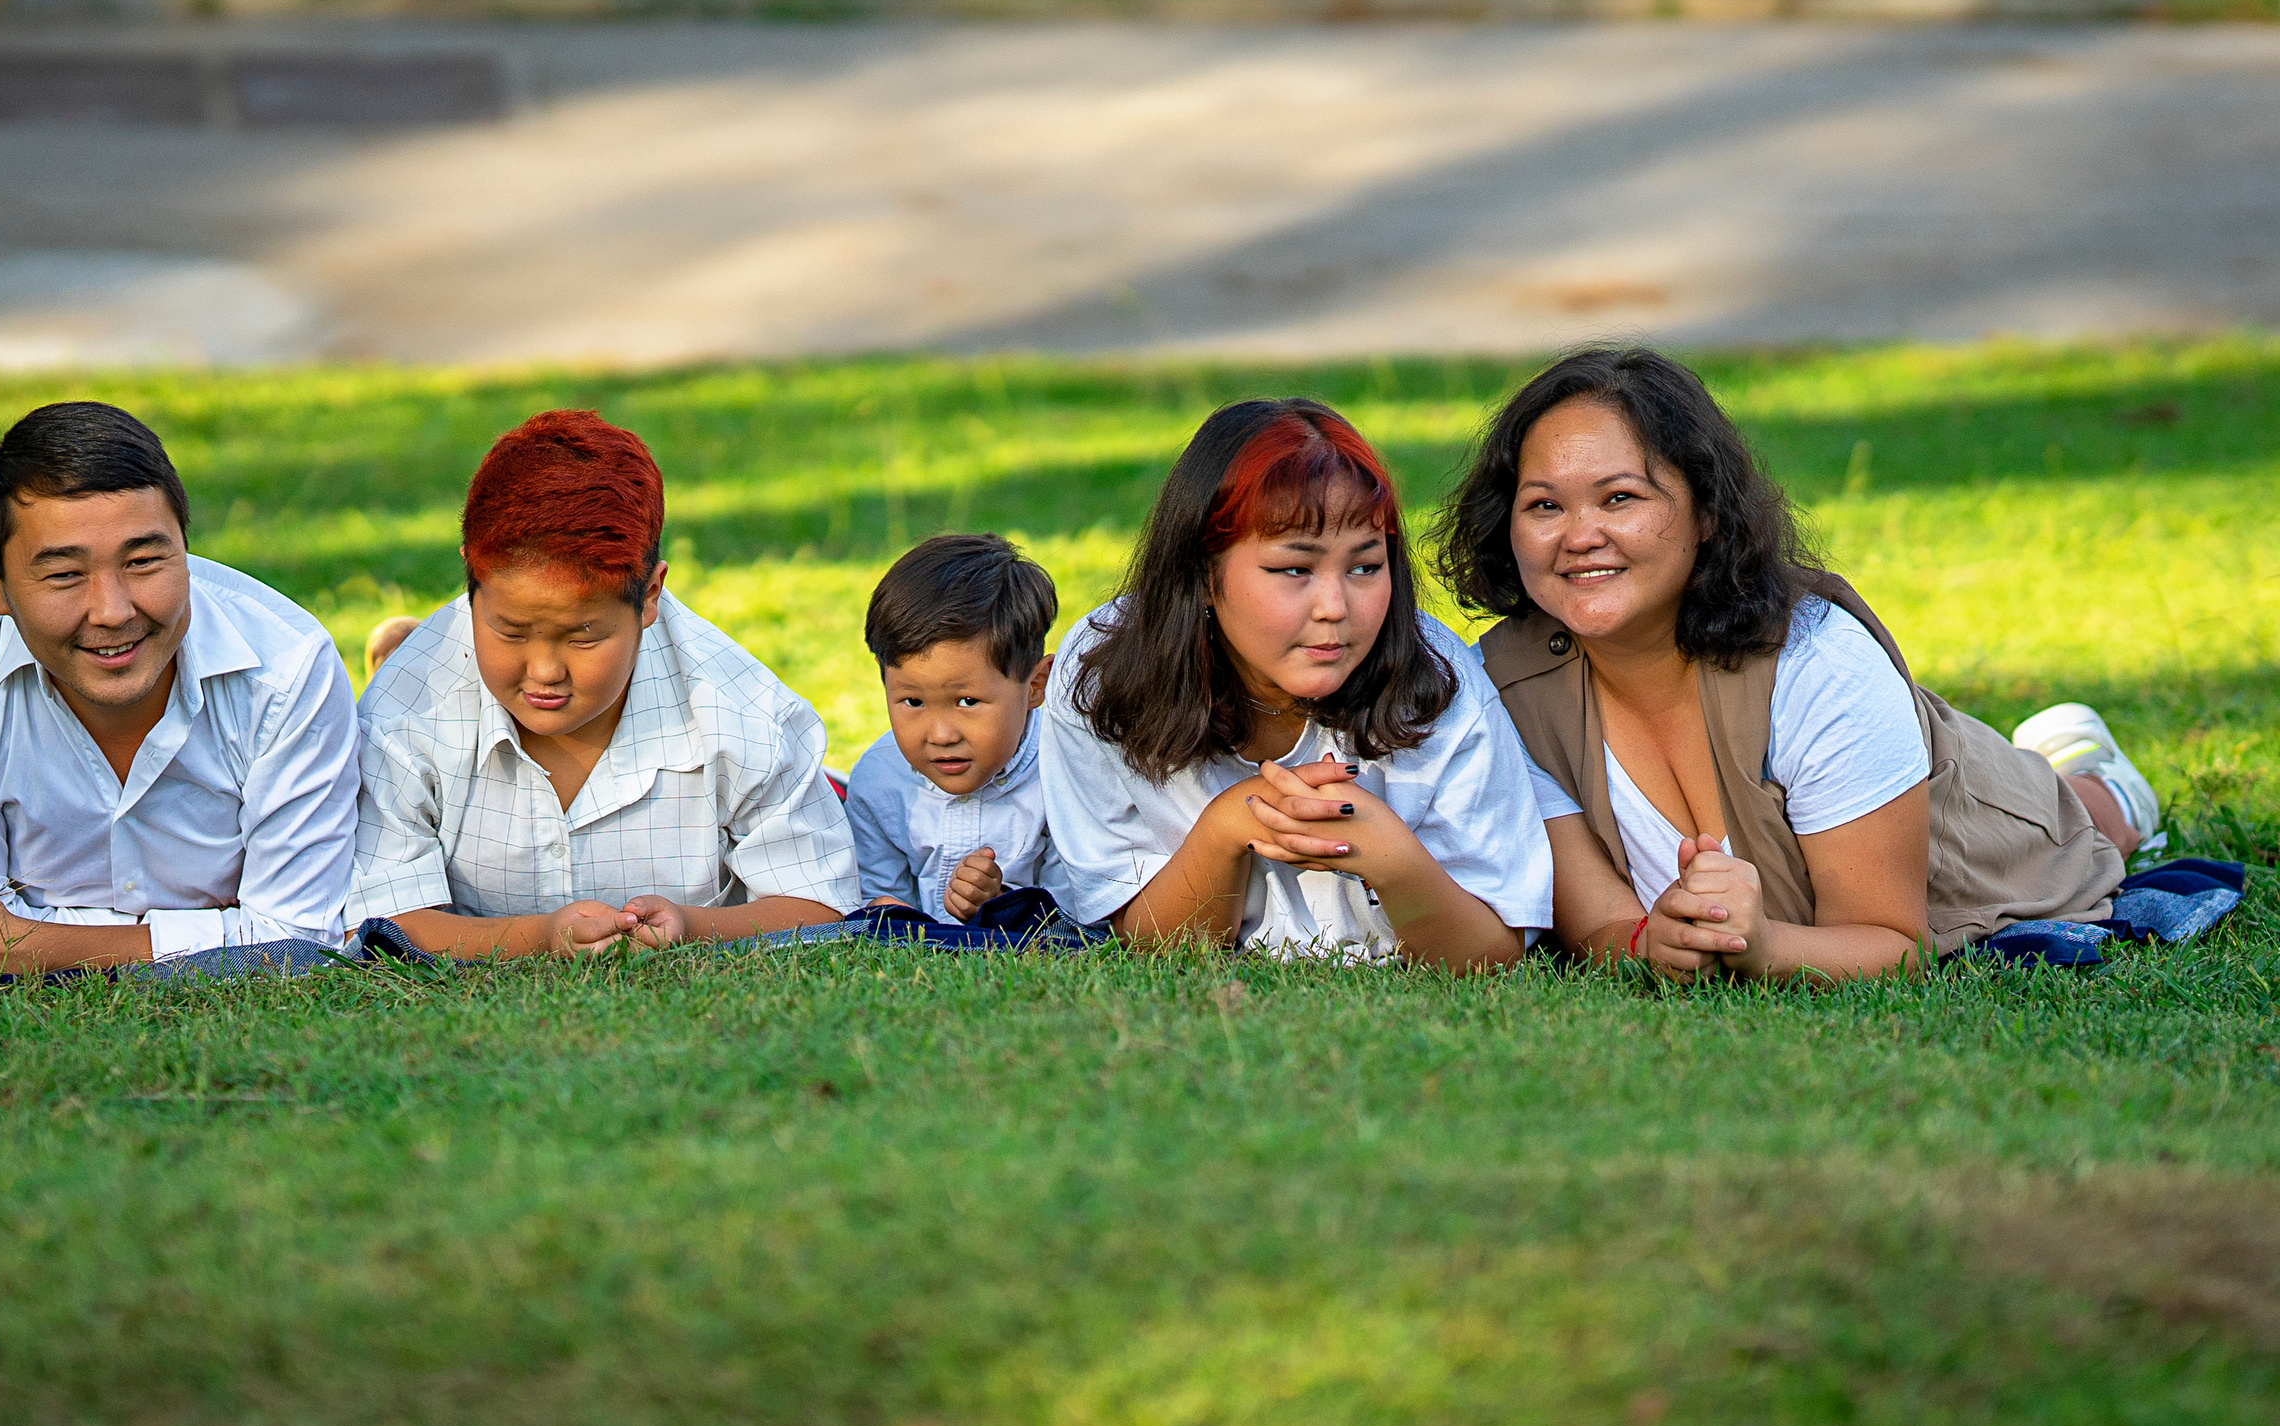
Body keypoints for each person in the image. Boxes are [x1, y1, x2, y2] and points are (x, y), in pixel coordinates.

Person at [1435, 346, 2138, 980]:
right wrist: (1651, 944)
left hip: (1988, 839)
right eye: (1544, 505)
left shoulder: (1819, 661)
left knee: (2092, 826)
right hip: (1868, 775)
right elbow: (1598, 923)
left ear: (1705, 511)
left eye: (1620, 497)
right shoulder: (1504, 688)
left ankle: (2094, 774)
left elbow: (1897, 944)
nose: (1580, 535)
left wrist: (1763, 947)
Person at [1041, 398, 1554, 966]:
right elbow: (1155, 947)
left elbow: (1492, 957)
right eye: (1295, 569)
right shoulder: (1103, 678)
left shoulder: (1440, 686)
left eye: (1365, 566)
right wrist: (1227, 829)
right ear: (1202, 575)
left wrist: (1389, 854)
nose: (1335, 607)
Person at [348, 409, 856, 957]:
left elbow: (823, 908)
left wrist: (693, 927)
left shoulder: (747, 714)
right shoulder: (403, 714)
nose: (544, 670)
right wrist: (540, 939)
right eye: (510, 632)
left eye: (583, 637)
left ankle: (836, 785)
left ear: (651, 595)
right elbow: (375, 924)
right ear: (471, 579)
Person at [0, 402, 358, 979]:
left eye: (143, 561)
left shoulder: (288, 666)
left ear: (186, 548)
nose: (112, 612)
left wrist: (30, 945)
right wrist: (225, 934)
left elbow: (299, 940)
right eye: (64, 574)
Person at [845, 534, 1070, 922]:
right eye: (913, 702)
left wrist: (1000, 903)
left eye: (967, 702)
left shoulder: (1064, 772)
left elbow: (1079, 919)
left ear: (1035, 686)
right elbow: (876, 902)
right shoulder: (879, 782)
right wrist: (885, 911)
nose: (941, 735)